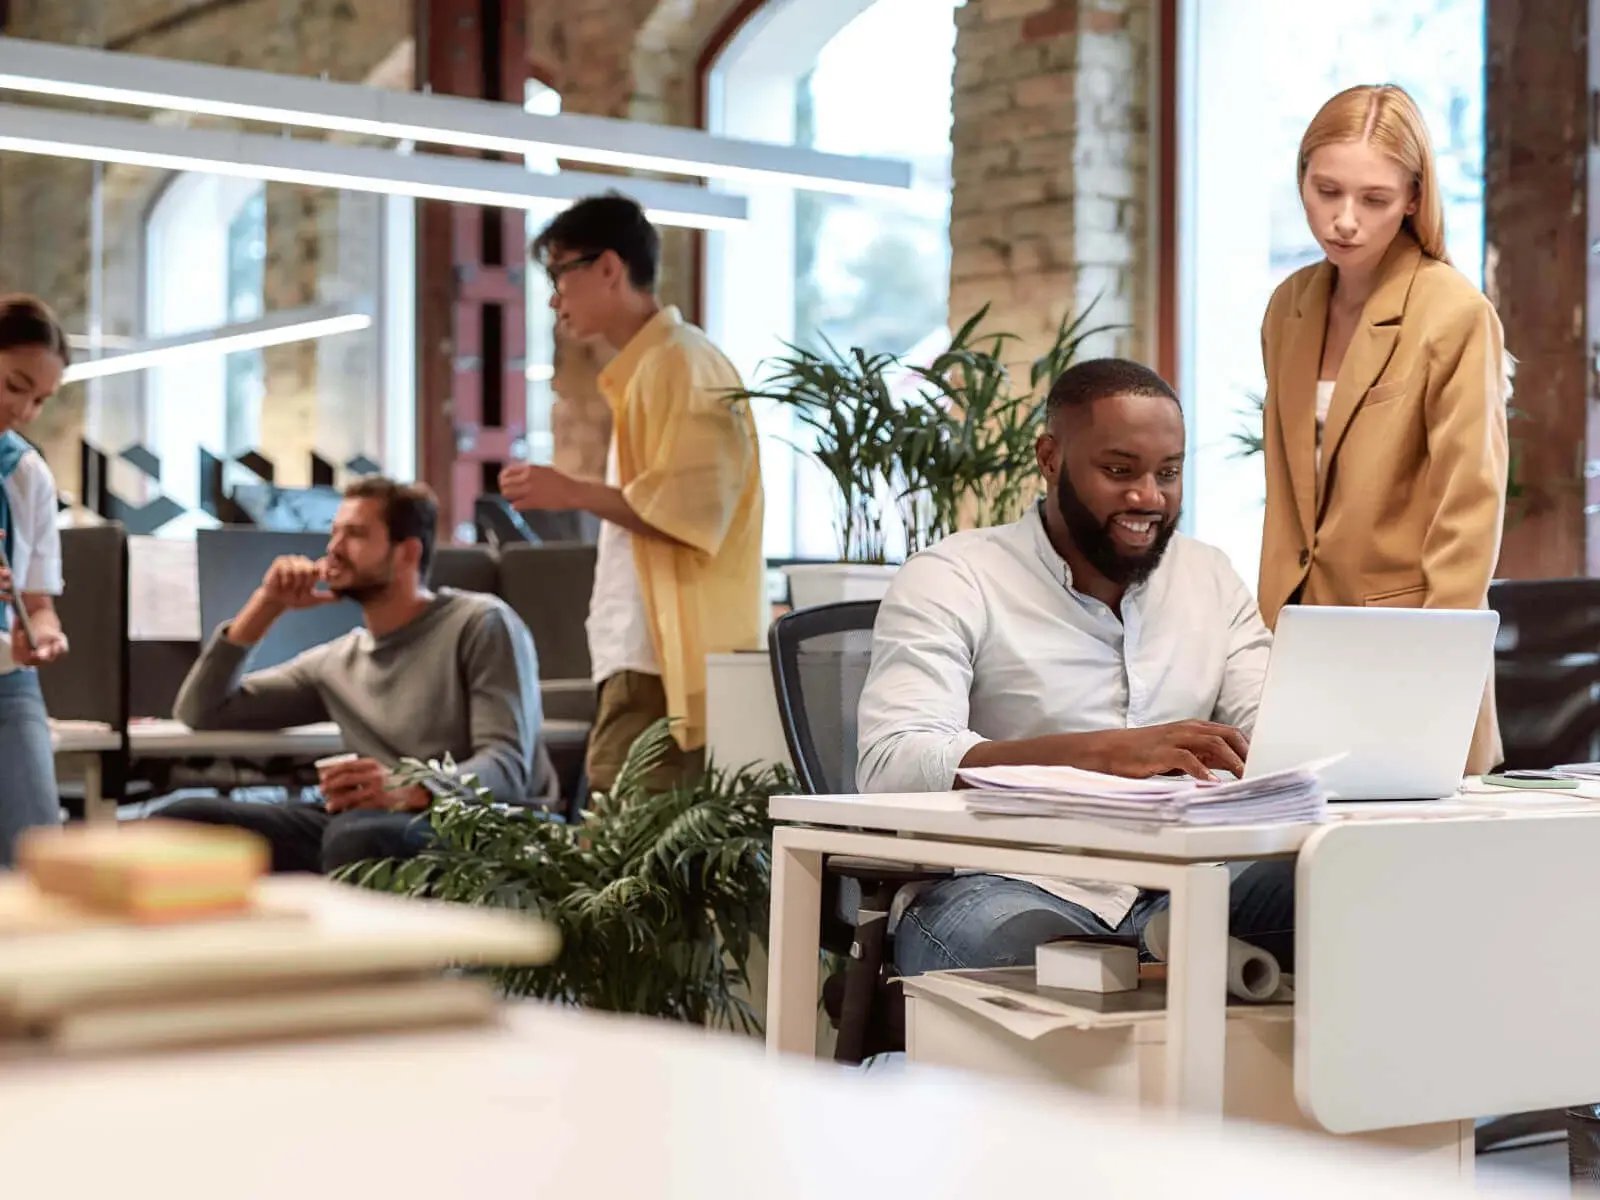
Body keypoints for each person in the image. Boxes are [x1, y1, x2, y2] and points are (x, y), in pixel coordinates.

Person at [856, 358, 1291, 976]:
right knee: (1000, 946)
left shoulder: (1208, 577)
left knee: (1346, 895)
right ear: (1051, 458)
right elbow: (891, 760)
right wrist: (1102, 754)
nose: (1149, 496)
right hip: (1018, 881)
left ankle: (1162, 965)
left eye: (1168, 473)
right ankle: (1169, 966)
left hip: (1194, 877)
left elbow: (1272, 733)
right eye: (1119, 471)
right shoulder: (955, 575)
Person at [1259, 84, 1508, 775]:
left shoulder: (1453, 312)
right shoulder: (1289, 308)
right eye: (1325, 190)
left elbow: (1469, 514)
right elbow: (1286, 491)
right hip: (1303, 641)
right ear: (1301, 178)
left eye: (1372, 199)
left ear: (1412, 198)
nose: (1343, 220)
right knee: (1302, 874)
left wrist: (1436, 675)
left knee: (1414, 873)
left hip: (1412, 647)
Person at [499, 192, 765, 794]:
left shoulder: (681, 364)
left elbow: (692, 511)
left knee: (621, 858)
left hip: (662, 663)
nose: (553, 298)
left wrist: (573, 491)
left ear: (609, 268)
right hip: (645, 656)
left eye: (559, 274)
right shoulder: (654, 367)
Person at [159, 477, 543, 875]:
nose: (334, 549)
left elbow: (505, 768)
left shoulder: (480, 623)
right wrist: (267, 605)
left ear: (407, 553)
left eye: (356, 534)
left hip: (469, 826)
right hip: (364, 822)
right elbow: (202, 710)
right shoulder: (338, 660)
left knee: (357, 838)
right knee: (181, 821)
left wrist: (411, 786)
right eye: (334, 532)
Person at [0, 296, 73, 866]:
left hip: (6, 680)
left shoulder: (25, 473)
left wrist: (42, 633)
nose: (24, 411)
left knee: (36, 862)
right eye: (13, 386)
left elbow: (38, 600)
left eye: (40, 399)